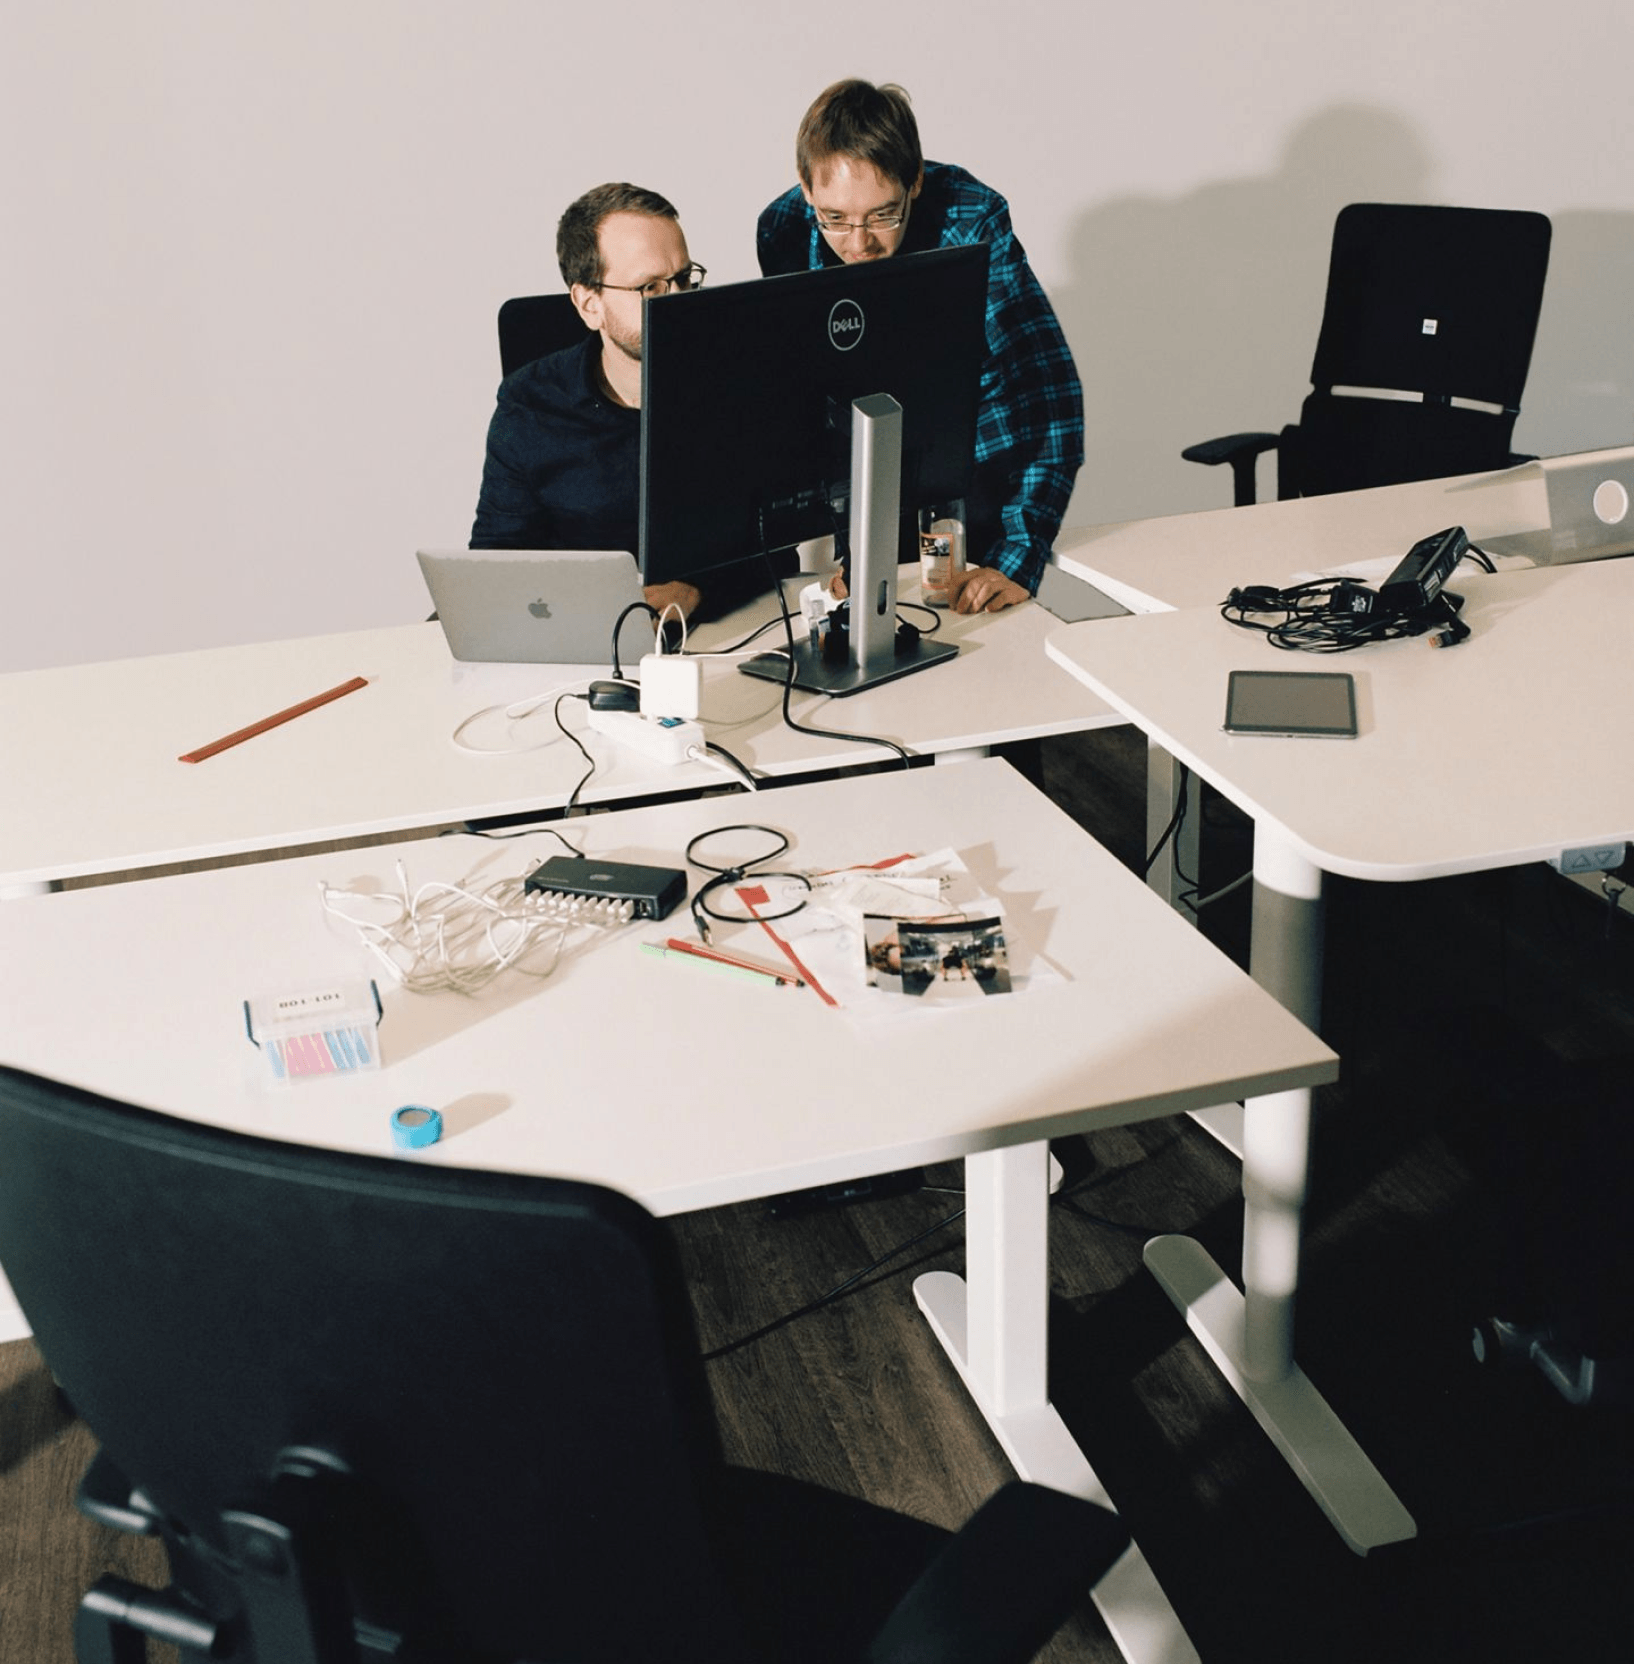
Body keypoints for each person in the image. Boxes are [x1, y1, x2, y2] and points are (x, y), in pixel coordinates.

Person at [758, 79, 1084, 614]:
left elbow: (1053, 398)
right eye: (835, 218)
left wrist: (1019, 555)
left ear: (914, 182)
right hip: (861, 477)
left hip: (973, 472)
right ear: (805, 188)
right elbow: (814, 385)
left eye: (883, 214)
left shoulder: (973, 221)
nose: (858, 243)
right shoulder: (781, 230)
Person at [469, 182, 709, 623]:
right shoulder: (531, 402)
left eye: (683, 278)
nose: (677, 302)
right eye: (650, 287)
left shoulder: (732, 380)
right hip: (575, 638)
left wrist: (697, 589)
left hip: (717, 634)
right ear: (589, 304)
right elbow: (496, 563)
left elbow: (772, 542)